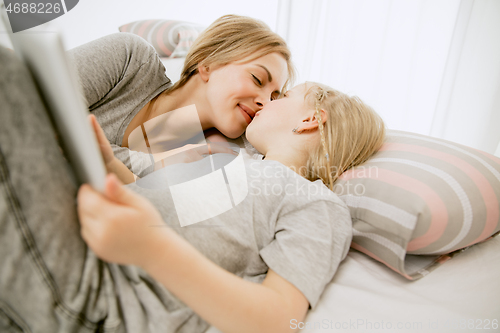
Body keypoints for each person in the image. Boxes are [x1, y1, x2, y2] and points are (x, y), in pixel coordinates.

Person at [77, 82, 386, 333]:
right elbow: (152, 203)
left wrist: (151, 248)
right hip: (84, 238)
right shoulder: (225, 159)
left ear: (311, 119)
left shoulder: (315, 203)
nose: (265, 103)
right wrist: (108, 165)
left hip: (106, 296)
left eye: (282, 96)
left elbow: (278, 320)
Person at [68, 14, 294, 179]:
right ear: (207, 63)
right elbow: (39, 113)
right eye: (257, 78)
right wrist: (152, 164)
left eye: (274, 97)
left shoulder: (214, 159)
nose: (265, 102)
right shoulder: (131, 60)